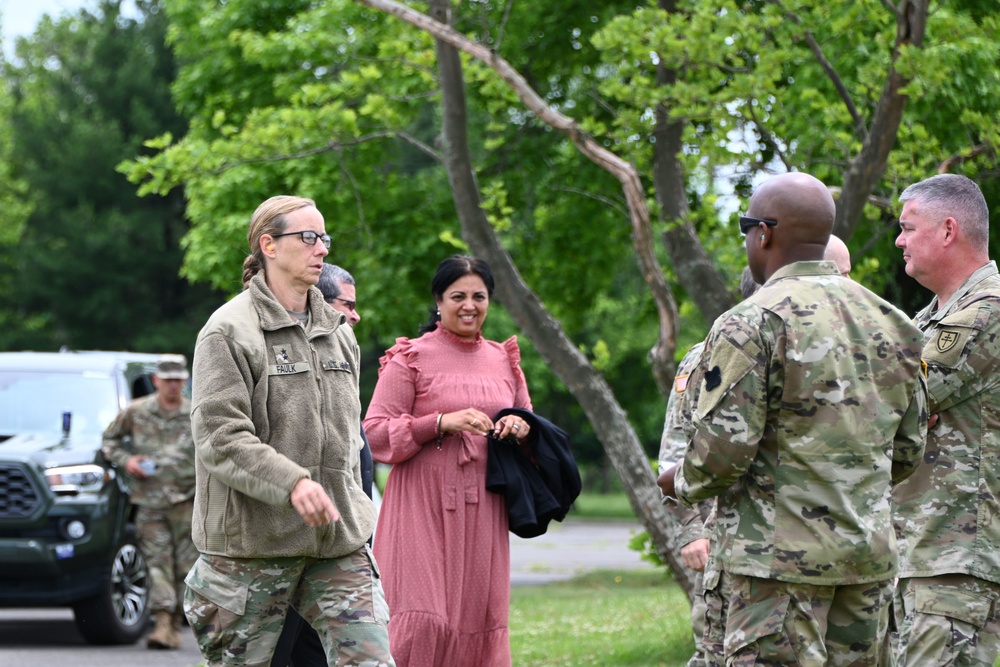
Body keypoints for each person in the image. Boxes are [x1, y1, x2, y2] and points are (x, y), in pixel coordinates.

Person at [660, 172, 928, 665]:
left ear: (764, 233)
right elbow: (909, 450)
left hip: (776, 570)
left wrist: (679, 480)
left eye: (747, 228)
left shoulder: (751, 321)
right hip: (865, 566)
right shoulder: (896, 324)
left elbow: (721, 455)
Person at [184, 195, 393, 666]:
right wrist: (293, 481)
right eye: (308, 237)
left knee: (372, 661)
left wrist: (356, 506)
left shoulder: (339, 330)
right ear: (269, 246)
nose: (321, 248)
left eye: (324, 238)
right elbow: (220, 435)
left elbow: (348, 437)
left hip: (335, 543)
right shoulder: (228, 331)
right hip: (253, 549)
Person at [363, 255, 533, 667]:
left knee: (480, 615)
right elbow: (376, 433)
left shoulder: (503, 359)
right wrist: (438, 422)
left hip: (484, 509)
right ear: (438, 300)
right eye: (458, 296)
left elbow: (529, 421)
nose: (469, 305)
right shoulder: (410, 357)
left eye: (479, 296)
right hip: (420, 508)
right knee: (421, 620)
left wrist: (517, 425)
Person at [892, 173, 1000, 666]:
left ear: (948, 229)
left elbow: (895, 400)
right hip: (923, 552)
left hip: (957, 558)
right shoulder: (928, 319)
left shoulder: (987, 311)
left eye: (908, 227)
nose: (899, 240)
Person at [272, 263, 375, 667]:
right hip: (290, 542)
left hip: (340, 542)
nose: (355, 315)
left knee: (323, 654)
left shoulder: (344, 353)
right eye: (346, 305)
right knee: (277, 652)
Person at [101, 353, 196, 650]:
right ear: (156, 380)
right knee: (157, 563)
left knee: (186, 566)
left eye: (178, 381)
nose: (172, 386)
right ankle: (162, 624)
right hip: (150, 502)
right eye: (167, 380)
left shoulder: (195, 413)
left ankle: (177, 620)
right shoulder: (136, 411)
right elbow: (109, 441)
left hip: (187, 501)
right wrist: (127, 460)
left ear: (184, 382)